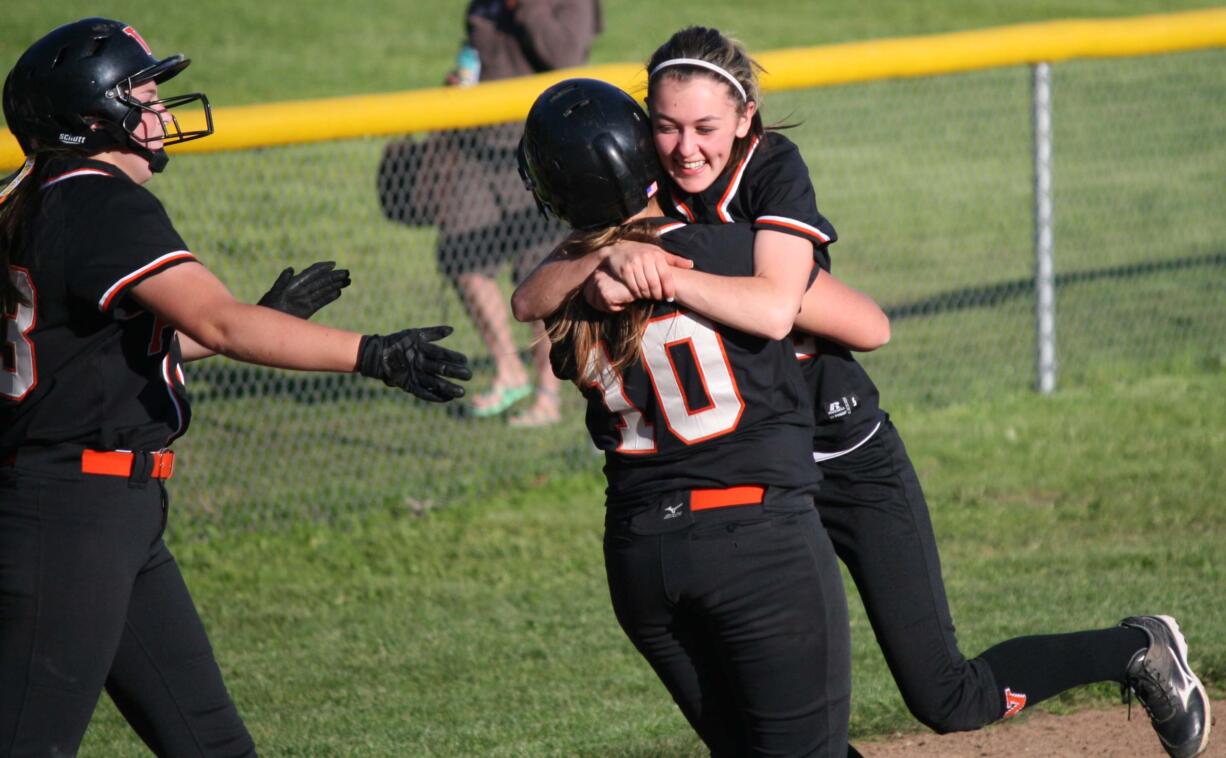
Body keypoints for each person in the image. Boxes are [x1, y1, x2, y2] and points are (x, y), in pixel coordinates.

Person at [513, 27, 1211, 758]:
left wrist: (680, 274)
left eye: (705, 128)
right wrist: (616, 254)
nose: (685, 148)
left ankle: (1137, 648)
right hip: (745, 479)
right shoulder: (645, 191)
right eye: (665, 125)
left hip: (841, 449)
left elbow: (852, 322)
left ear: (745, 117)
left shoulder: (769, 170)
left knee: (946, 696)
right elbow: (533, 298)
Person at [0, 18, 471, 756]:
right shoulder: (101, 202)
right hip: (72, 516)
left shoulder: (33, 195)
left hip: (100, 511)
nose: (160, 112)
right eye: (144, 96)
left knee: (211, 744)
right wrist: (371, 353)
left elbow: (109, 354)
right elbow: (220, 324)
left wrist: (268, 318)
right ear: (91, 121)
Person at [519, 77, 902, 757]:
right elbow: (870, 326)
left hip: (641, 559)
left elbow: (528, 298)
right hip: (756, 541)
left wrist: (605, 256)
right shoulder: (729, 253)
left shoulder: (564, 295)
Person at [435, 0, 602, 426]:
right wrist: (456, 83)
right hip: (475, 144)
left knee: (540, 275)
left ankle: (547, 393)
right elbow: (474, 49)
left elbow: (564, 55)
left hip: (537, 149)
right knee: (460, 254)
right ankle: (508, 370)